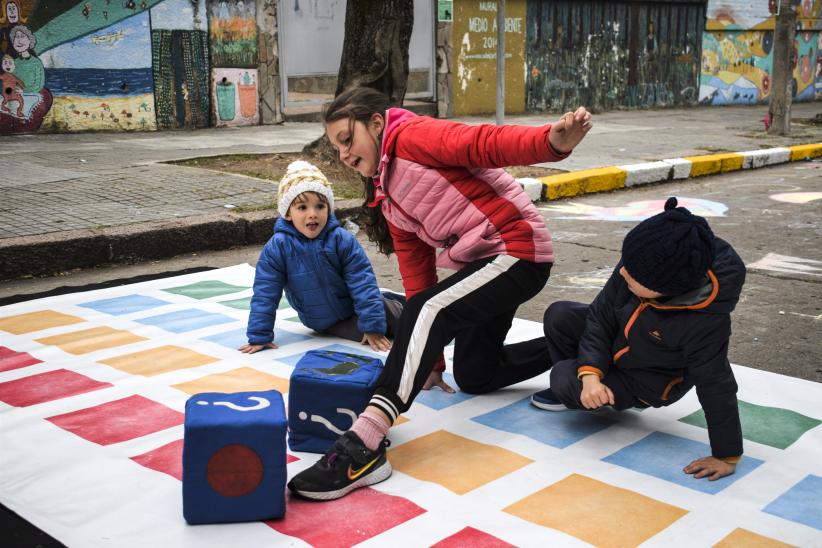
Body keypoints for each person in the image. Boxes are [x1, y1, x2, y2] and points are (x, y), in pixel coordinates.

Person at [287, 86, 592, 500]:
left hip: (516, 250)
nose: (343, 153)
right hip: (483, 264)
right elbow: (417, 275)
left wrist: (551, 142)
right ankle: (581, 337)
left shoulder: (412, 138)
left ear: (376, 125)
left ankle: (365, 444)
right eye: (336, 147)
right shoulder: (387, 195)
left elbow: (481, 143)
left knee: (427, 310)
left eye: (347, 139)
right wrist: (430, 361)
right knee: (474, 375)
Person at [531, 197, 745, 481]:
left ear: (665, 288)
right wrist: (591, 374)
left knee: (562, 377)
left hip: (647, 380)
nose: (622, 272)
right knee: (561, 314)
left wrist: (726, 454)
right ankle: (587, 390)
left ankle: (585, 390)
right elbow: (600, 316)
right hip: (620, 344)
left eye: (630, 273)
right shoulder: (643, 259)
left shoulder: (703, 321)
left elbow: (715, 383)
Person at [240, 160, 402, 355]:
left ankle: (406, 308)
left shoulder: (341, 240)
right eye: (302, 208)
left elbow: (362, 282)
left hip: (352, 306)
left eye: (320, 206)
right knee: (365, 336)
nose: (313, 214)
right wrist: (259, 336)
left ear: (329, 208)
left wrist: (373, 326)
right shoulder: (277, 248)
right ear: (288, 213)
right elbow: (265, 293)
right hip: (323, 322)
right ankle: (386, 312)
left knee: (396, 322)